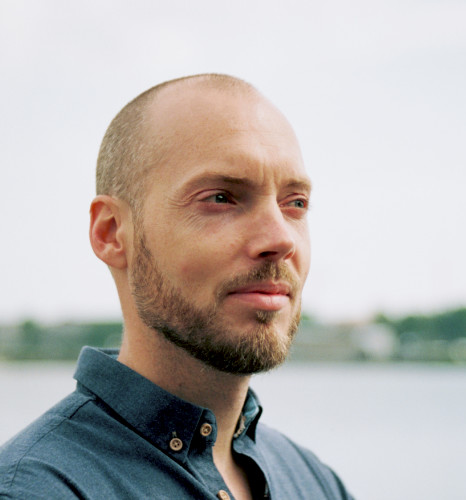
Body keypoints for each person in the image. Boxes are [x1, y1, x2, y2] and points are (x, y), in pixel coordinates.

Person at [0, 74, 354, 499]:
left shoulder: (315, 482)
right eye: (221, 198)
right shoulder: (35, 489)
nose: (281, 239)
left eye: (295, 203)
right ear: (112, 232)